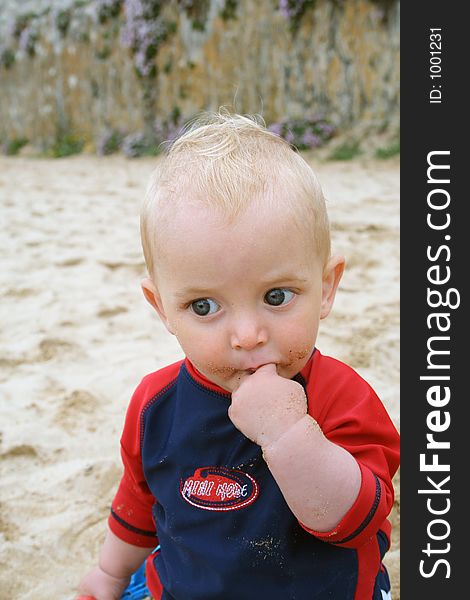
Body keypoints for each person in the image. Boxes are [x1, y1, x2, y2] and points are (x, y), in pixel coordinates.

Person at [77, 112, 400, 600]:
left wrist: (288, 434)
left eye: (277, 296)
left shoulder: (342, 397)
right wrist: (109, 574)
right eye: (203, 306)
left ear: (326, 288)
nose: (247, 336)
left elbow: (350, 523)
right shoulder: (155, 404)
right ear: (163, 308)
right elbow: (140, 502)